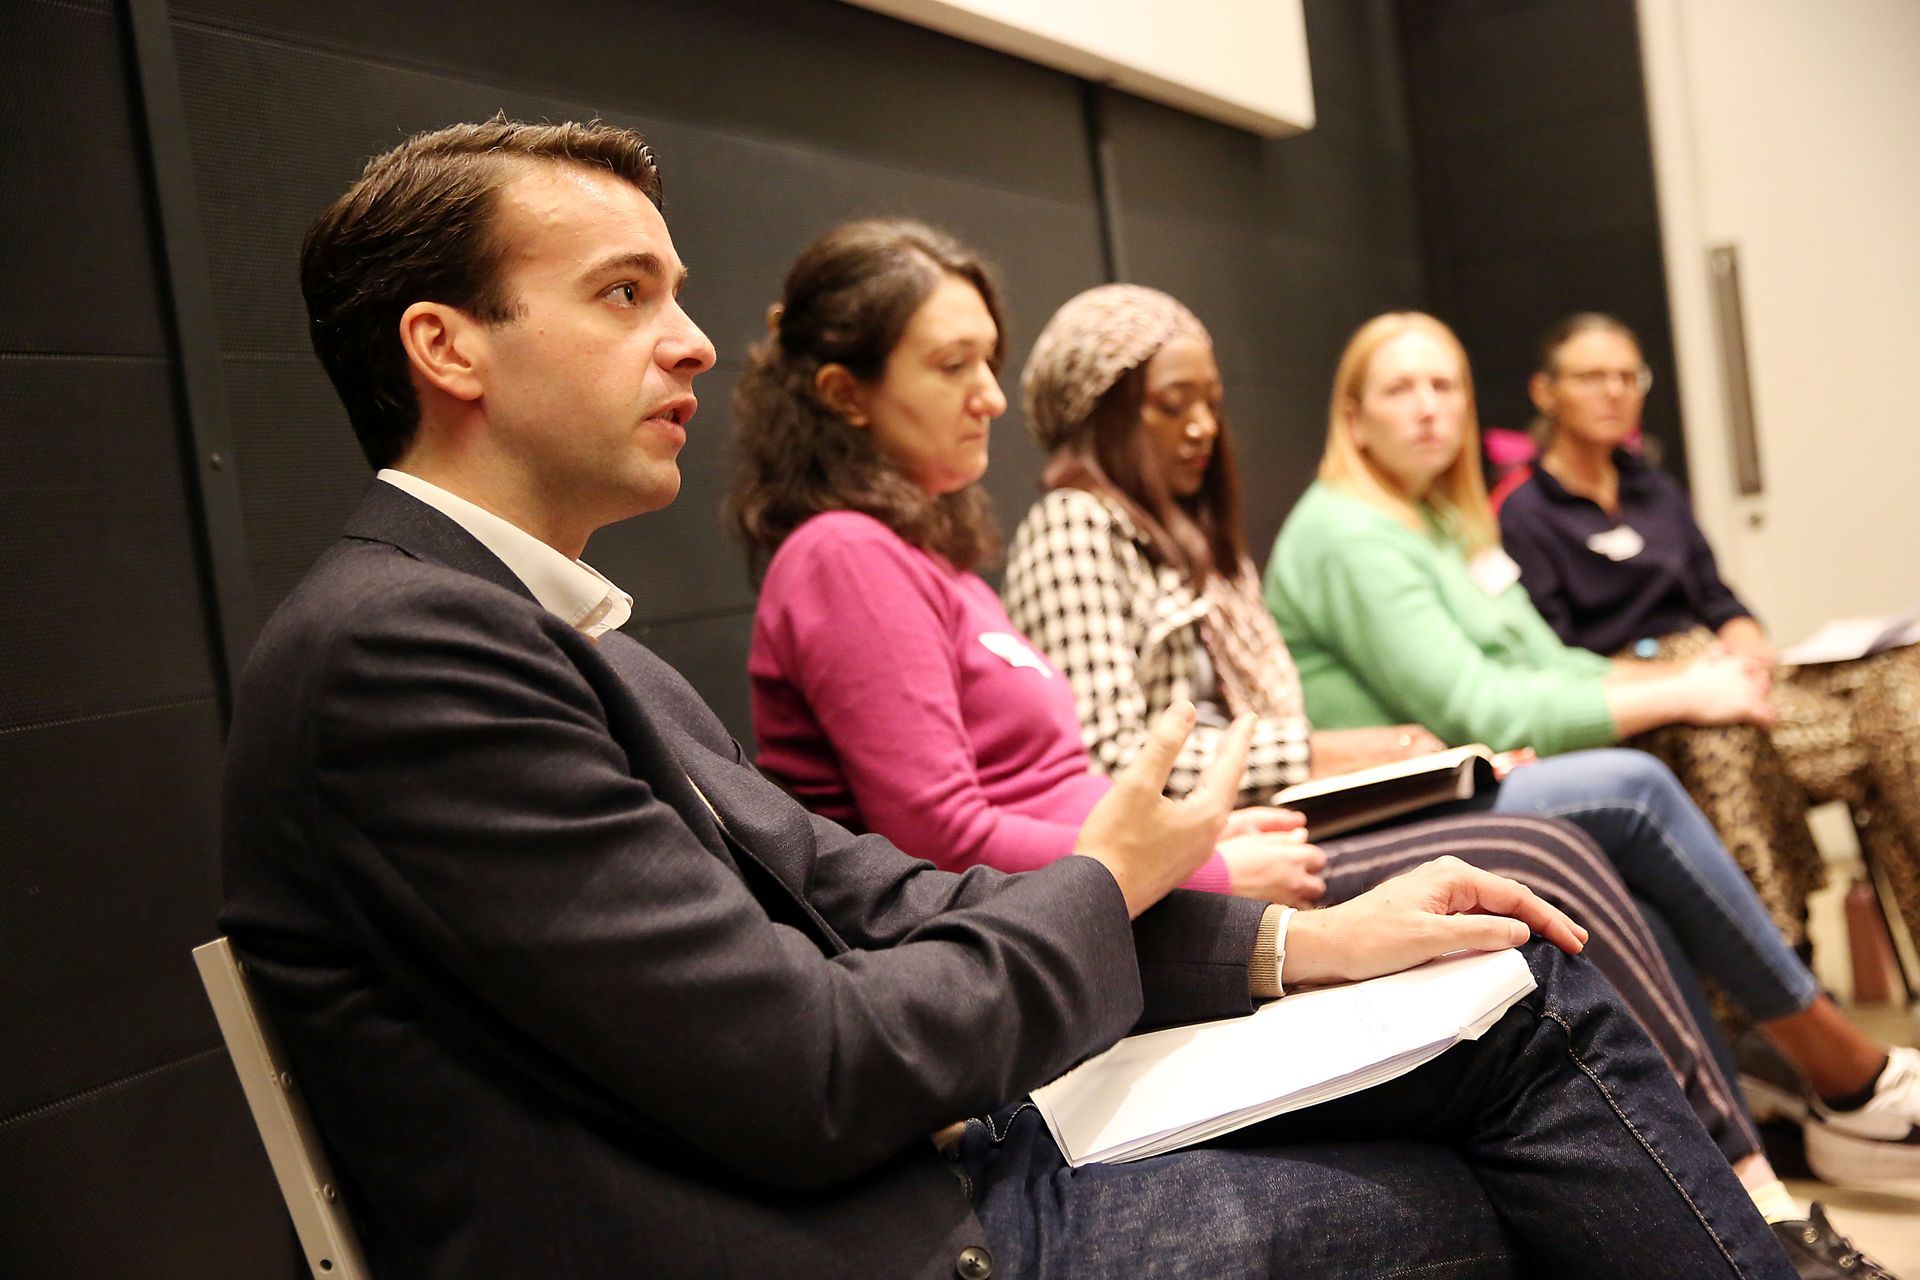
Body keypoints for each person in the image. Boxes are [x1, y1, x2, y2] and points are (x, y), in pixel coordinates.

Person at [218, 119, 1806, 1279]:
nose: (696, 342)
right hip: (878, 1231)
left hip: (920, 1153)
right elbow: (818, 1064)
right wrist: (1119, 869)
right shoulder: (400, 654)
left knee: (1516, 992)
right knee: (1527, 1142)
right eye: (625, 295)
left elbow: (872, 891)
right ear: (448, 349)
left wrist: (1288, 943)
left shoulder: (570, 640)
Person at [726, 233, 1865, 1273]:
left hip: (1143, 888)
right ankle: (1764, 1170)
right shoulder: (844, 556)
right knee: (1538, 911)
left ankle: (1737, 1176)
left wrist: (1211, 842)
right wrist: (1214, 861)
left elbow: (1060, 783)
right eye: (952, 365)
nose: (988, 397)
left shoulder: (941, 561)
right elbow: (936, 837)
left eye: (991, 362)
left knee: (1547, 884)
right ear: (847, 394)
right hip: (1078, 940)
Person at [1261, 308, 1920, 1188]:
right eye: (1399, 389)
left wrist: (1670, 686)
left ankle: (1743, 1165)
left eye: (1444, 386)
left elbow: (1549, 662)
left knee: (1643, 880)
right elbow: (1477, 702)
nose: (1427, 408)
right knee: (1636, 785)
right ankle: (1838, 1068)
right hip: (1399, 800)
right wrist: (1677, 690)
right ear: (1353, 415)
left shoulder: (1440, 522)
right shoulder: (1348, 531)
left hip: (1485, 769)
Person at [1499, 310, 1920, 963]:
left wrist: (1745, 637)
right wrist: (1684, 679)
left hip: (1720, 667)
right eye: (1591, 377)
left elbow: (1716, 596)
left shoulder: (1654, 488)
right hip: (1643, 698)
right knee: (1732, 739)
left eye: (1627, 376)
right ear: (1545, 392)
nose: (1614, 392)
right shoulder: (1526, 513)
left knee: (1897, 706)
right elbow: (1554, 655)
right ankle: (1782, 968)